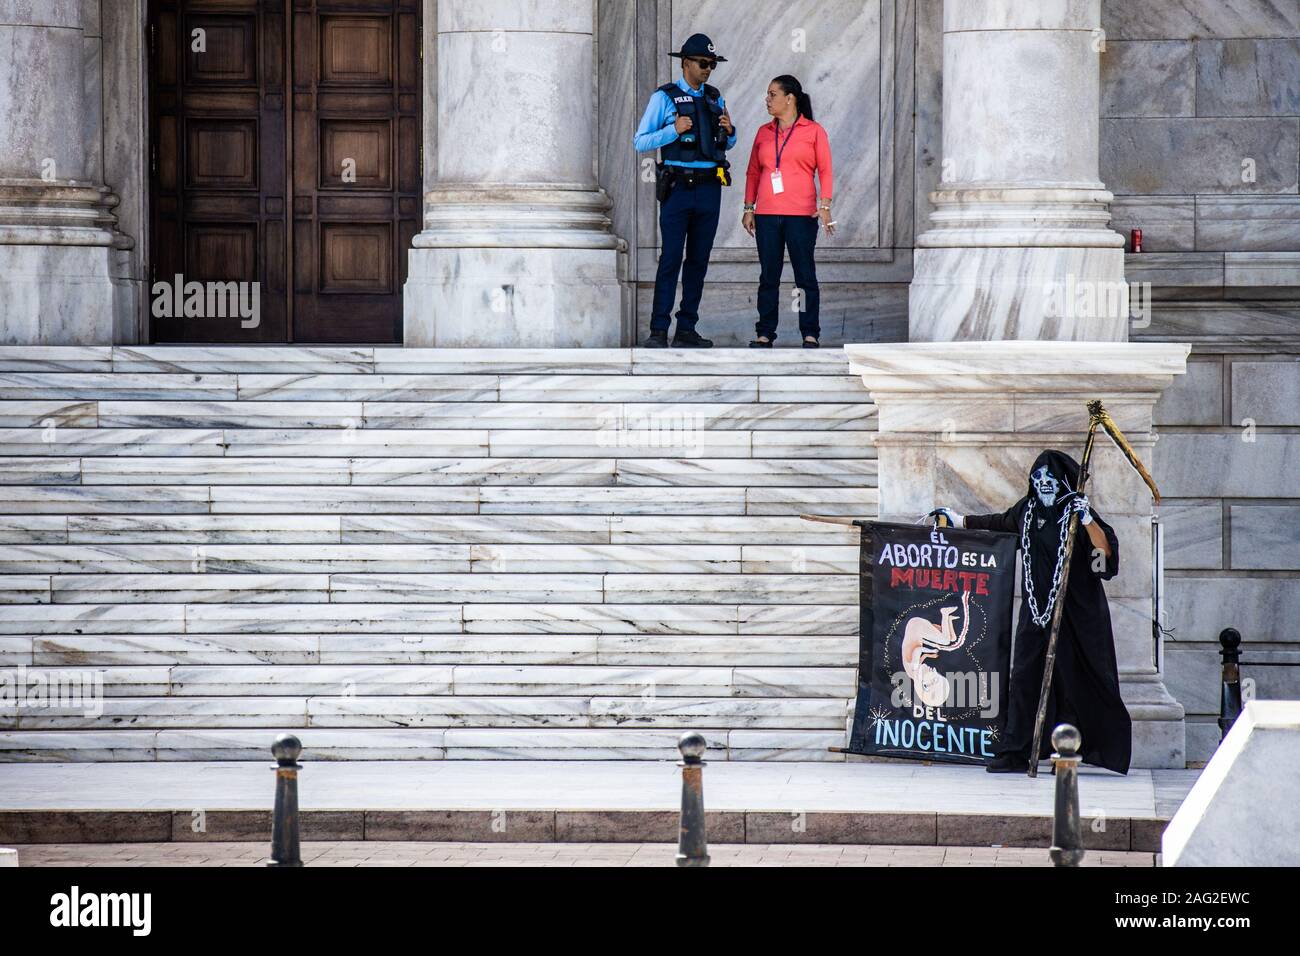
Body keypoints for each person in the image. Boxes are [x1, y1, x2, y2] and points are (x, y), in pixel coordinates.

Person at [930, 450, 1132, 775]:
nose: (1043, 484)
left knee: (1070, 682)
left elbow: (1103, 557)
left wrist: (1088, 521)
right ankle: (1016, 751)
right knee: (1024, 676)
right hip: (1035, 613)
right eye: (1038, 479)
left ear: (1063, 482)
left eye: (1050, 479)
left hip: (1075, 615)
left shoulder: (1076, 513)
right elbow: (997, 524)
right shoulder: (1028, 511)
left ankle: (1066, 751)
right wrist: (958, 521)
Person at [633, 33, 736, 349]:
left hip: (709, 189)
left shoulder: (715, 97)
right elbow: (640, 141)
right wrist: (672, 130)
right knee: (671, 258)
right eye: (704, 64)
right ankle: (658, 330)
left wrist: (731, 133)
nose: (708, 70)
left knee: (699, 261)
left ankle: (687, 328)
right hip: (678, 188)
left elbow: (725, 143)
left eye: (712, 65)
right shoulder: (664, 98)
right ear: (686, 63)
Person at [742, 75, 833, 349]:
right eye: (768, 95)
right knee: (768, 275)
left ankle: (810, 332)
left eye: (772, 94)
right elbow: (753, 172)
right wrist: (749, 207)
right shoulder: (763, 132)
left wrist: (825, 205)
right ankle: (765, 333)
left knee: (804, 275)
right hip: (767, 214)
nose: (767, 100)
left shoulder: (813, 131)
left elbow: (826, 170)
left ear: (789, 98)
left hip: (802, 216)